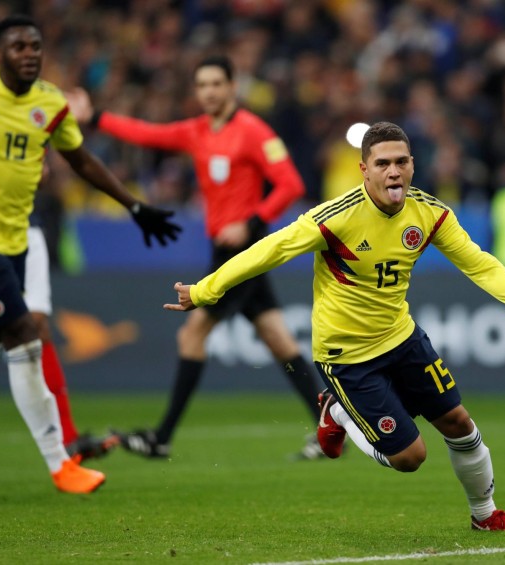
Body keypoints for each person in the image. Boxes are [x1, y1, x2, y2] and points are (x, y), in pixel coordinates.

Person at [163, 122, 505, 530]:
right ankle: (338, 413)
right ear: (364, 169)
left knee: (459, 422)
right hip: (347, 355)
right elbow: (269, 251)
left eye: (401, 161)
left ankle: (486, 515)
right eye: (382, 163)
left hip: (401, 339)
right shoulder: (334, 218)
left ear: (413, 165)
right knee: (410, 458)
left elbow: (480, 264)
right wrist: (204, 290)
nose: (393, 171)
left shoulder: (429, 213)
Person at [0, 15, 181, 493]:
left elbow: (81, 159)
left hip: (15, 240)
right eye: (18, 47)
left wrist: (134, 205)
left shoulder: (50, 102)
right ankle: (60, 463)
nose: (29, 53)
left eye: (36, 46)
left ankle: (59, 458)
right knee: (26, 333)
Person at [71, 55, 325, 459]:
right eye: (202, 85)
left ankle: (162, 437)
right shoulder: (197, 131)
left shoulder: (253, 132)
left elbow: (290, 184)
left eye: (216, 84)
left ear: (232, 87)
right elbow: (148, 134)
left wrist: (251, 220)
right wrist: (95, 117)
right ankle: (331, 430)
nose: (208, 92)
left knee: (191, 335)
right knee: (278, 339)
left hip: (244, 248)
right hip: (224, 248)